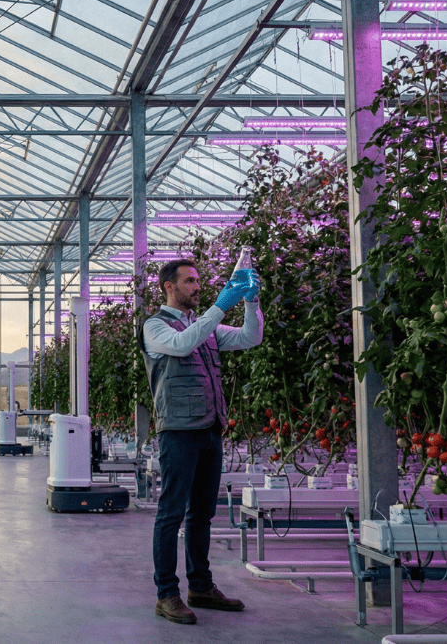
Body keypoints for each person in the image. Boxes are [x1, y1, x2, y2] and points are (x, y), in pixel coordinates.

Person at [140, 257, 263, 625]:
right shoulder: (154, 327)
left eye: (198, 281)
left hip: (210, 428)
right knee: (171, 513)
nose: (197, 287)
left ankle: (201, 586)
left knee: (202, 513)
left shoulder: (206, 328)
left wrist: (251, 302)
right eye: (189, 281)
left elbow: (250, 337)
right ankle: (166, 594)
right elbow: (181, 345)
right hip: (178, 431)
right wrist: (221, 305)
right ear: (169, 287)